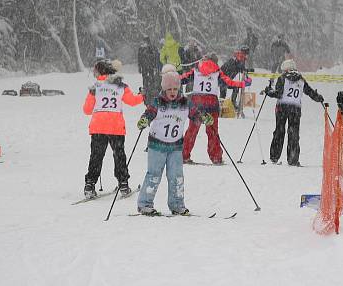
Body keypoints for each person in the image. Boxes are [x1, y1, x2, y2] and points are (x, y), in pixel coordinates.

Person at [135, 71, 209, 216]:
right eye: (169, 89)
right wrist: (145, 120)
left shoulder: (185, 102)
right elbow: (149, 113)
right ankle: (145, 204)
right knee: (154, 175)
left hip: (175, 147)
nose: (172, 92)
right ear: (164, 89)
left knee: (176, 176)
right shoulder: (158, 101)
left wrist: (203, 117)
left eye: (175, 89)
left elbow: (195, 114)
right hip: (157, 146)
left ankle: (177, 205)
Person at [81, 59, 145, 199]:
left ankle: (90, 185)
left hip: (98, 126)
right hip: (115, 126)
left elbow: (86, 110)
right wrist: (142, 95)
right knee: (119, 156)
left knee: (96, 156)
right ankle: (123, 184)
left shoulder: (95, 87)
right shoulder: (120, 86)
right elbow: (133, 102)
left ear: (99, 72)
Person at [180, 54, 250, 164]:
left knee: (192, 131)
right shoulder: (217, 72)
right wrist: (243, 83)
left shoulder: (196, 71)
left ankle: (184, 155)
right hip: (211, 103)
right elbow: (228, 83)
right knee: (213, 132)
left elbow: (182, 79)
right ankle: (216, 157)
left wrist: (170, 79)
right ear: (215, 62)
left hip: (197, 103)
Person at [263, 59, 323, 166]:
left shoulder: (282, 78)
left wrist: (268, 91)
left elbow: (278, 94)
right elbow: (309, 92)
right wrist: (318, 98)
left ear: (286, 69)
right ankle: (293, 159)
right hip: (295, 109)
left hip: (282, 108)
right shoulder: (301, 80)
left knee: (279, 131)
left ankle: (274, 156)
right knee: (293, 134)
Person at [220, 49, 248, 118]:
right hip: (223, 80)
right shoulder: (231, 62)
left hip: (229, 81)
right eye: (242, 60)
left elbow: (242, 69)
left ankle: (233, 102)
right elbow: (229, 69)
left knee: (236, 87)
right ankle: (221, 105)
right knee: (223, 91)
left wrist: (247, 71)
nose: (243, 62)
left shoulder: (239, 63)